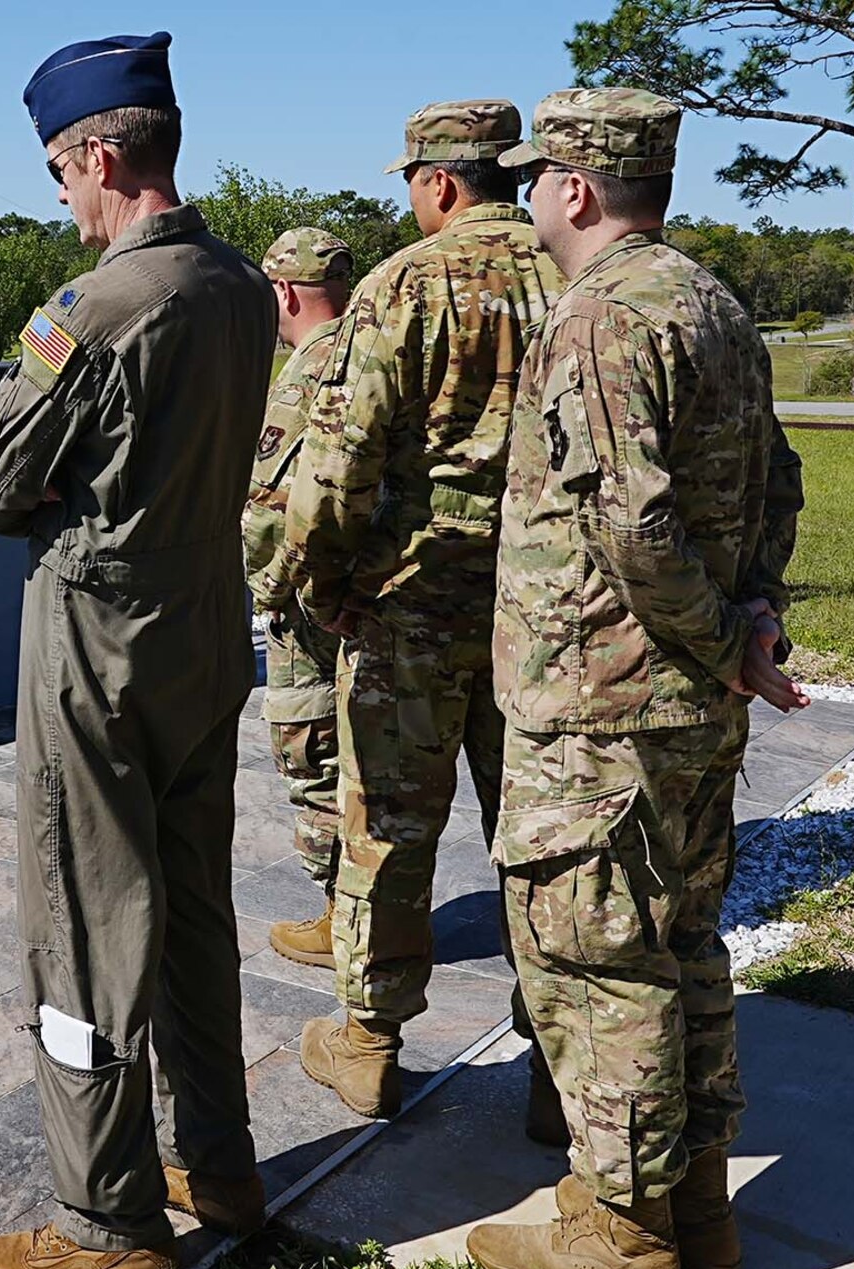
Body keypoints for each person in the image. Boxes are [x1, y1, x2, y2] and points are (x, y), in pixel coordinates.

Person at [466, 87, 807, 1269]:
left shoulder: (600, 317)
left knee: (594, 961)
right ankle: (693, 1209)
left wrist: (725, 637)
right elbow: (774, 478)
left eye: (536, 179)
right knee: (675, 949)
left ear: (571, 188)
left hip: (600, 709)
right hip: (682, 711)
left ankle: (623, 1231)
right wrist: (752, 619)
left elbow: (630, 518)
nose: (528, 200)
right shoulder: (710, 302)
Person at [0, 30, 276, 1269]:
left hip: (98, 650)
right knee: (193, 908)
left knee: (83, 924)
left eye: (58, 173)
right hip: (206, 627)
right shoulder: (241, 283)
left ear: (99, 154)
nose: (60, 200)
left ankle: (107, 1219)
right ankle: (222, 1160)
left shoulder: (97, 308)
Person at [268, 100, 564, 1122]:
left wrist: (324, 587)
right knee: (538, 842)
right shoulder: (576, 270)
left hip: (411, 614)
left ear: (437, 183)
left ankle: (367, 1042)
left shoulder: (403, 283)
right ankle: (556, 1070)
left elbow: (333, 467)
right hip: (546, 621)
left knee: (386, 832)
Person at [244, 227, 354, 968]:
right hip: (370, 590)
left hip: (313, 603)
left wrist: (262, 585)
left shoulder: (308, 368)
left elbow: (268, 502)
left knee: (310, 747)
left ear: (283, 291)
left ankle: (343, 915)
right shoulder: (375, 349)